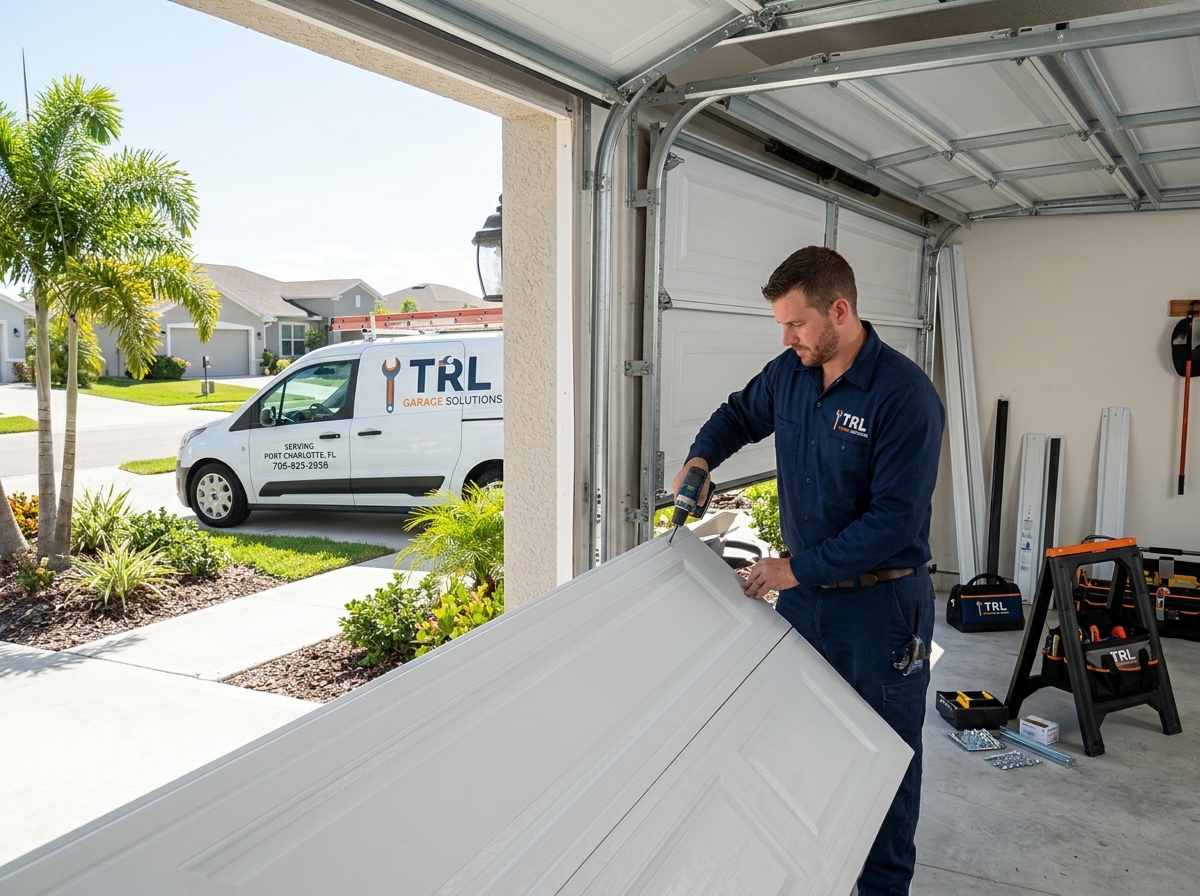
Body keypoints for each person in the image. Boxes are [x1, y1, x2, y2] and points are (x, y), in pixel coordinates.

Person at [672, 245, 944, 896]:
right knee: (802, 753)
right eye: (781, 326)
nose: (787, 337)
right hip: (806, 604)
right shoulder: (791, 374)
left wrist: (795, 569)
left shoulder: (903, 397)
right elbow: (741, 413)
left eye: (796, 324)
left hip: (882, 614)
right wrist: (701, 459)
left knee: (881, 770)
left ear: (840, 312)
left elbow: (893, 523)